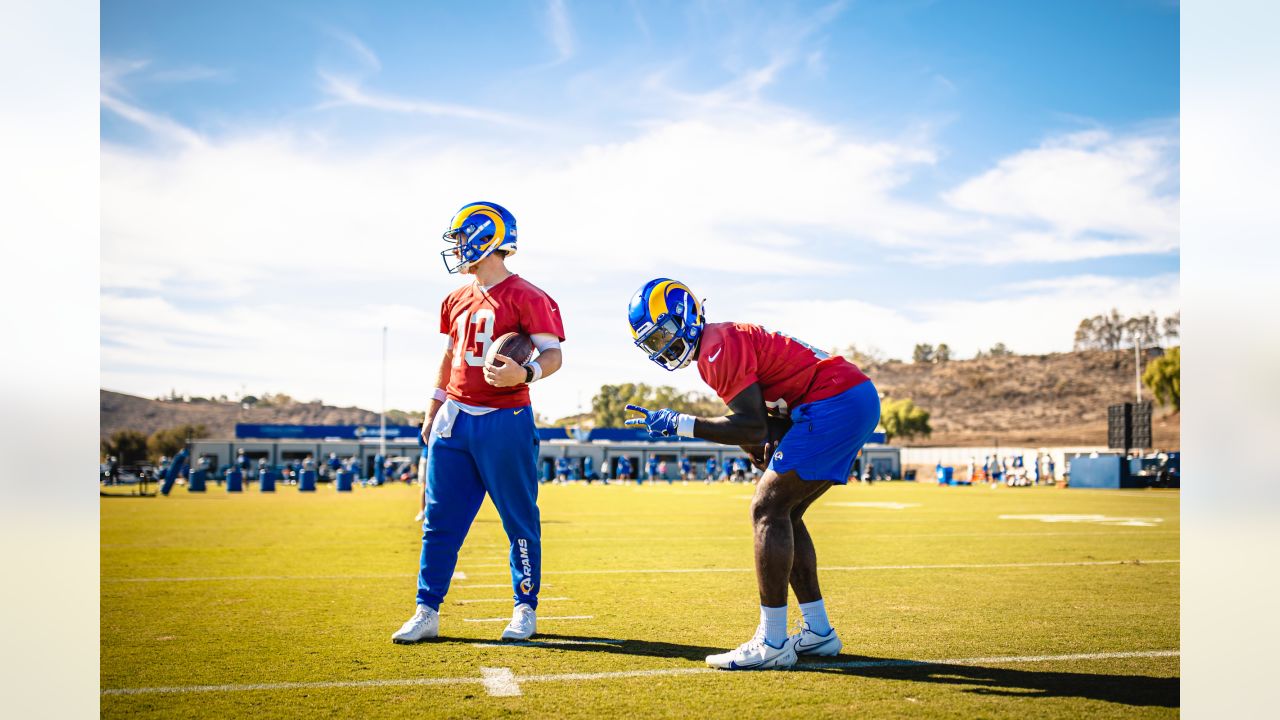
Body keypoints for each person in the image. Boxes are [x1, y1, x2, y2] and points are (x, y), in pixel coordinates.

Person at [624, 278, 879, 671]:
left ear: (686, 316)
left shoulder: (715, 347)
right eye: (654, 343)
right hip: (844, 397)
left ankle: (773, 640)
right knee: (786, 511)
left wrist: (679, 422)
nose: (663, 348)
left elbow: (751, 426)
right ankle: (818, 631)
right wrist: (755, 438)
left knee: (767, 509)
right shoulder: (719, 343)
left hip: (833, 401)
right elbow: (758, 424)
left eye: (665, 335)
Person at [392, 201, 565, 645]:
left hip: (505, 418)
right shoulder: (455, 299)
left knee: (518, 518)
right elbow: (450, 356)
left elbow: (553, 354)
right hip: (456, 416)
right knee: (439, 520)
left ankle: (525, 606)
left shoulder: (529, 295)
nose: (458, 249)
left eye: (462, 239)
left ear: (487, 238)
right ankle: (426, 610)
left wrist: (525, 373)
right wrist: (433, 408)